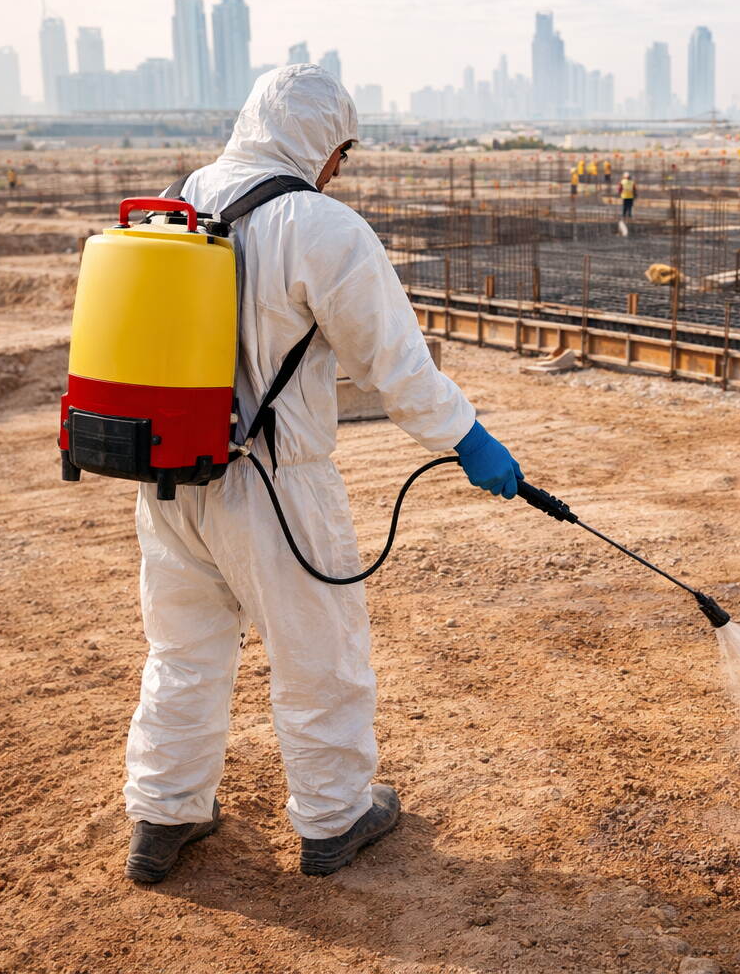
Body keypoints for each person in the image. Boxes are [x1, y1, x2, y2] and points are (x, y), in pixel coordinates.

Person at [122, 64, 522, 884]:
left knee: (183, 652)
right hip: (277, 486)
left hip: (167, 475)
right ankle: (336, 816)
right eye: (340, 150)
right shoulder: (320, 226)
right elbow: (399, 370)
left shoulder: (177, 198)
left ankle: (164, 815)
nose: (339, 168)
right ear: (319, 141)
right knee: (319, 656)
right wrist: (470, 441)